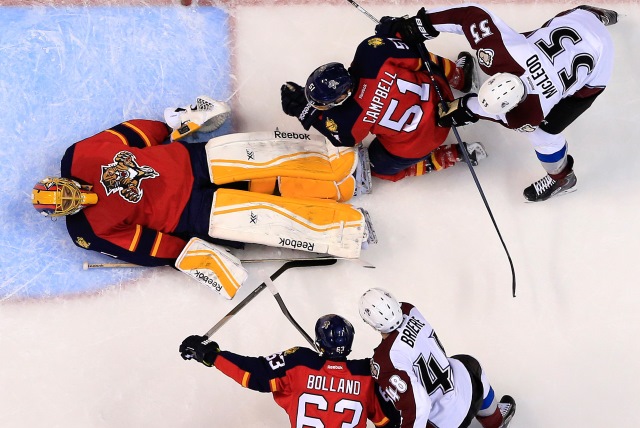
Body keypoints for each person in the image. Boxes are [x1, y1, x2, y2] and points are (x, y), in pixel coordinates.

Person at [31, 97, 375, 298]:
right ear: (61, 212)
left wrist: (171, 125)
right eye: (65, 202)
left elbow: (129, 133)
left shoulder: (77, 156)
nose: (73, 196)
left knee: (271, 154)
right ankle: (348, 231)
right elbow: (144, 245)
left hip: (193, 161)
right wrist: (186, 254)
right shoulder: (86, 231)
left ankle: (344, 170)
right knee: (272, 218)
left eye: (63, 190)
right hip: (194, 214)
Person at [382, 4, 617, 201]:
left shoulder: (528, 114)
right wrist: (420, 25)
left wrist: (465, 108)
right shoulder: (500, 53)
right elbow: (469, 15)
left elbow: (489, 111)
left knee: (545, 135)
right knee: (532, 41)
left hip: (596, 63)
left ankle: (563, 178)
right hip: (579, 22)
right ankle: (597, 16)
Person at [280, 34, 488, 183]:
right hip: (444, 99)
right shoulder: (371, 52)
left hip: (423, 141)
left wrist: (304, 111)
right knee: (423, 59)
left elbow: (341, 137)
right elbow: (418, 56)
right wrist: (394, 33)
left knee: (375, 167)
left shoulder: (350, 119)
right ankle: (460, 77)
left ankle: (451, 156)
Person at [179, 314, 399, 428]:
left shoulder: (299, 362)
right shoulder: (368, 374)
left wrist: (210, 354)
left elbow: (252, 374)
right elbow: (390, 422)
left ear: (319, 343)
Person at [358, 288, 515, 428]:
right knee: (467, 362)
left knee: (392, 400)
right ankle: (495, 420)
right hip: (471, 393)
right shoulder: (409, 309)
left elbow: (419, 406)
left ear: (370, 323)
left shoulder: (384, 360)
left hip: (444, 423)